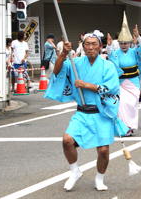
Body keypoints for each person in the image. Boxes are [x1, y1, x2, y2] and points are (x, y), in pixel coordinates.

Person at [45, 30, 122, 191]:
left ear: (100, 46)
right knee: (67, 140)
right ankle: (75, 171)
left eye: (94, 44)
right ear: (83, 46)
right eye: (87, 44)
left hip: (101, 113)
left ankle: (99, 179)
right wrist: (63, 54)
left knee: (103, 151)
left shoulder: (108, 65)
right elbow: (58, 72)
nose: (91, 47)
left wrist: (85, 85)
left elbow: (111, 87)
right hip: (82, 112)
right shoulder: (76, 63)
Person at [107, 12, 140, 136]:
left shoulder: (134, 51)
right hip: (121, 83)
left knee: (132, 104)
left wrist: (138, 39)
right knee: (121, 104)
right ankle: (124, 128)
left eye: (126, 43)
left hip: (134, 83)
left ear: (130, 42)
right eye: (121, 43)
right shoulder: (116, 52)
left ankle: (131, 126)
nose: (123, 45)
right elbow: (110, 55)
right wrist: (109, 45)